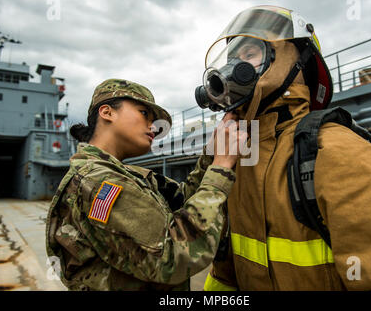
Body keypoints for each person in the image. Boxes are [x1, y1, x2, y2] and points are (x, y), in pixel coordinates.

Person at [195, 5, 371, 290]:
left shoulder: (338, 151)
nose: (233, 68)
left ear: (288, 61)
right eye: (233, 58)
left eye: (250, 54)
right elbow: (224, 273)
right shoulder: (238, 158)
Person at [45, 78, 247, 291]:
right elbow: (175, 256)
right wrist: (221, 168)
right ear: (107, 112)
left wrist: (212, 154)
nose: (154, 127)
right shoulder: (100, 182)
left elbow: (183, 200)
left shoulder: (124, 175)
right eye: (144, 113)